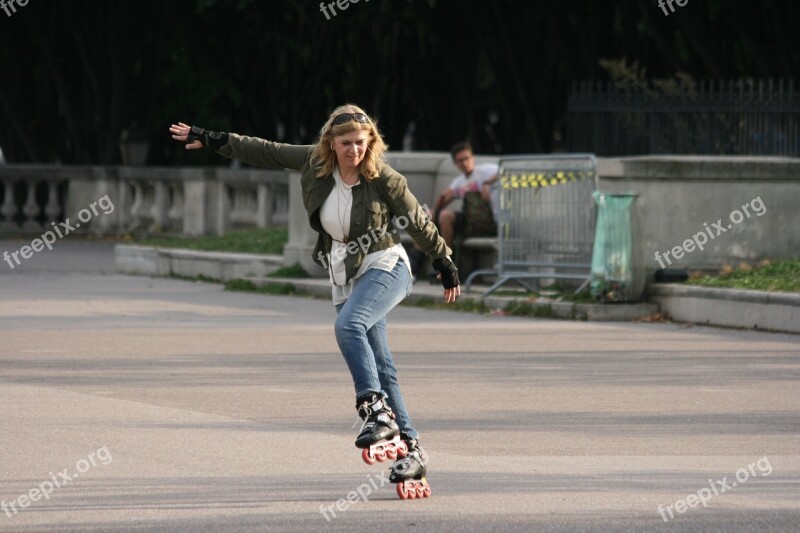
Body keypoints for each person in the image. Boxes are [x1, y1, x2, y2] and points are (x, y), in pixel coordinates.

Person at [169, 104, 459, 499]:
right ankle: (411, 450)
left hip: (387, 266)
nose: (354, 151)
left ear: (370, 142)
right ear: (331, 143)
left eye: (360, 143)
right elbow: (265, 150)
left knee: (348, 326)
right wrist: (215, 139)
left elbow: (418, 221)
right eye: (346, 144)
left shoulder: (384, 179)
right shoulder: (313, 163)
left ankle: (373, 410)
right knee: (383, 366)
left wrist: (444, 261)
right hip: (345, 273)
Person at [433, 141, 499, 248]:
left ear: (473, 158)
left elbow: (504, 171)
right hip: (470, 223)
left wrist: (487, 184)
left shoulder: (485, 171)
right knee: (440, 216)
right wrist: (431, 213)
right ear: (455, 163)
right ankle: (446, 259)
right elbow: (444, 197)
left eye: (467, 158)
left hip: (490, 221)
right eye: (460, 161)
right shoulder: (459, 182)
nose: (464, 163)